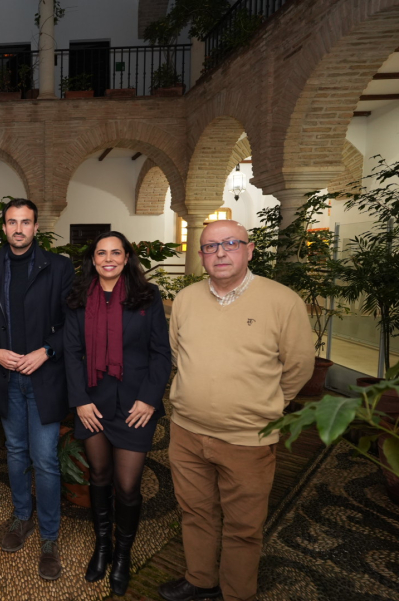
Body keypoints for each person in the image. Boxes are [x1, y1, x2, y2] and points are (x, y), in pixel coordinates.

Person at [158, 220, 315, 601]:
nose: (221, 253)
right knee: (196, 513)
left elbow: (299, 367)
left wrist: (265, 407)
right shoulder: (186, 299)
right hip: (187, 432)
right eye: (210, 247)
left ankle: (236, 593)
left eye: (230, 244)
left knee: (244, 527)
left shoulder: (282, 301)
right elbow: (179, 355)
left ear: (250, 249)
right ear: (201, 255)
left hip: (248, 439)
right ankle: (200, 579)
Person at [64, 231, 171, 594]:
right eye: (100, 253)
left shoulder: (147, 296)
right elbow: (72, 351)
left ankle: (122, 556)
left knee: (127, 487)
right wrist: (79, 399)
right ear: (92, 260)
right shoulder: (77, 298)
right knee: (99, 475)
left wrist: (149, 399)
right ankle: (103, 547)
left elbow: (161, 353)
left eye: (115, 252)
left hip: (134, 406)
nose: (108, 258)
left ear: (127, 258)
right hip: (92, 402)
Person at [0, 198, 74, 581]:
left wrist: (46, 352)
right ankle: (21, 518)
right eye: (12, 222)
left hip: (44, 378)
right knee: (15, 452)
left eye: (25, 222)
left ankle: (49, 538)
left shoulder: (59, 267)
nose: (18, 228)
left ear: (36, 228)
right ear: (4, 228)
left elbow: (72, 324)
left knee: (45, 458)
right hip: (8, 378)